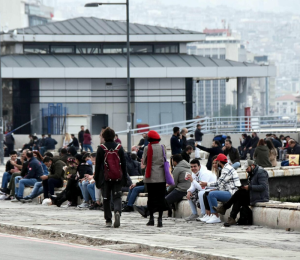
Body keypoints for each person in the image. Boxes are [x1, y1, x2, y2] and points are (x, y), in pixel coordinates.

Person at [214, 160, 269, 226]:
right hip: (253, 194)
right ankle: (231, 218)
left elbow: (263, 187)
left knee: (239, 193)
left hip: (261, 197)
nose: (246, 170)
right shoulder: (251, 172)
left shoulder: (261, 172)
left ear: (252, 166)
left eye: (247, 168)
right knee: (238, 198)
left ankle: (225, 208)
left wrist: (249, 187)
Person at [94, 127, 127, 228]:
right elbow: (124, 165)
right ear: (114, 136)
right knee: (117, 196)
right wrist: (124, 178)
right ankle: (117, 211)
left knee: (106, 198)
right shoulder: (119, 148)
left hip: (105, 177)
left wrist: (97, 179)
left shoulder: (101, 148)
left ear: (104, 136)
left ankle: (108, 220)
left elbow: (98, 165)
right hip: (117, 176)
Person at [199, 153, 241, 224]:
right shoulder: (226, 168)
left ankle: (216, 216)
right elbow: (221, 184)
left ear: (219, 162)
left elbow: (218, 183)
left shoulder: (226, 169)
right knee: (208, 193)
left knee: (212, 194)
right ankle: (211, 215)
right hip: (229, 191)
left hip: (232, 193)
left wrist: (206, 184)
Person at [143, 130, 166, 228]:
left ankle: (151, 218)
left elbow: (144, 162)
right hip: (161, 176)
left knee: (151, 198)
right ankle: (160, 219)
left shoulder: (147, 148)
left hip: (150, 176)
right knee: (161, 198)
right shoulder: (162, 147)